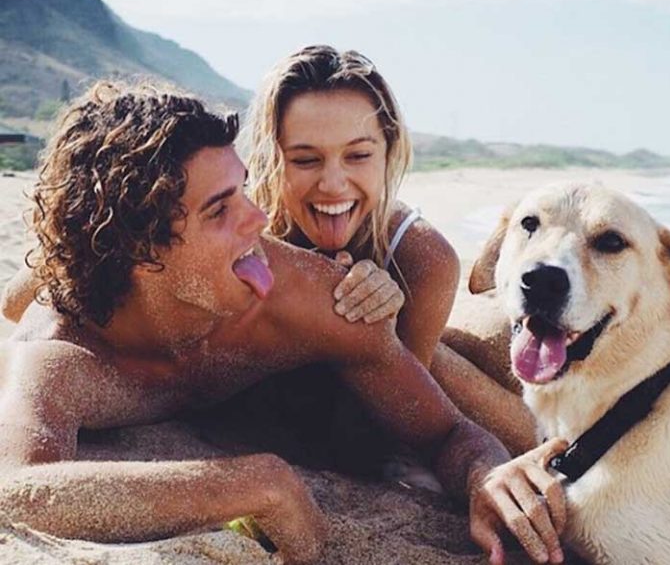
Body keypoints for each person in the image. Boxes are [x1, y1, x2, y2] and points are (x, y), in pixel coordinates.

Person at [0, 82, 566, 565]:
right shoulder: (62, 356)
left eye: (245, 188)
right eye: (220, 209)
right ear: (141, 252)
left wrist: (483, 476)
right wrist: (252, 483)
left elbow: (445, 433)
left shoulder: (302, 294)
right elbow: (16, 492)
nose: (260, 218)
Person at [244, 45, 536, 454]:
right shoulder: (239, 239)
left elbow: (380, 440)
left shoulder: (422, 259)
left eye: (359, 156)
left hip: (379, 410)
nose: (333, 183)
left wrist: (378, 337)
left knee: (455, 355)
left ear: (388, 153)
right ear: (270, 159)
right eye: (305, 159)